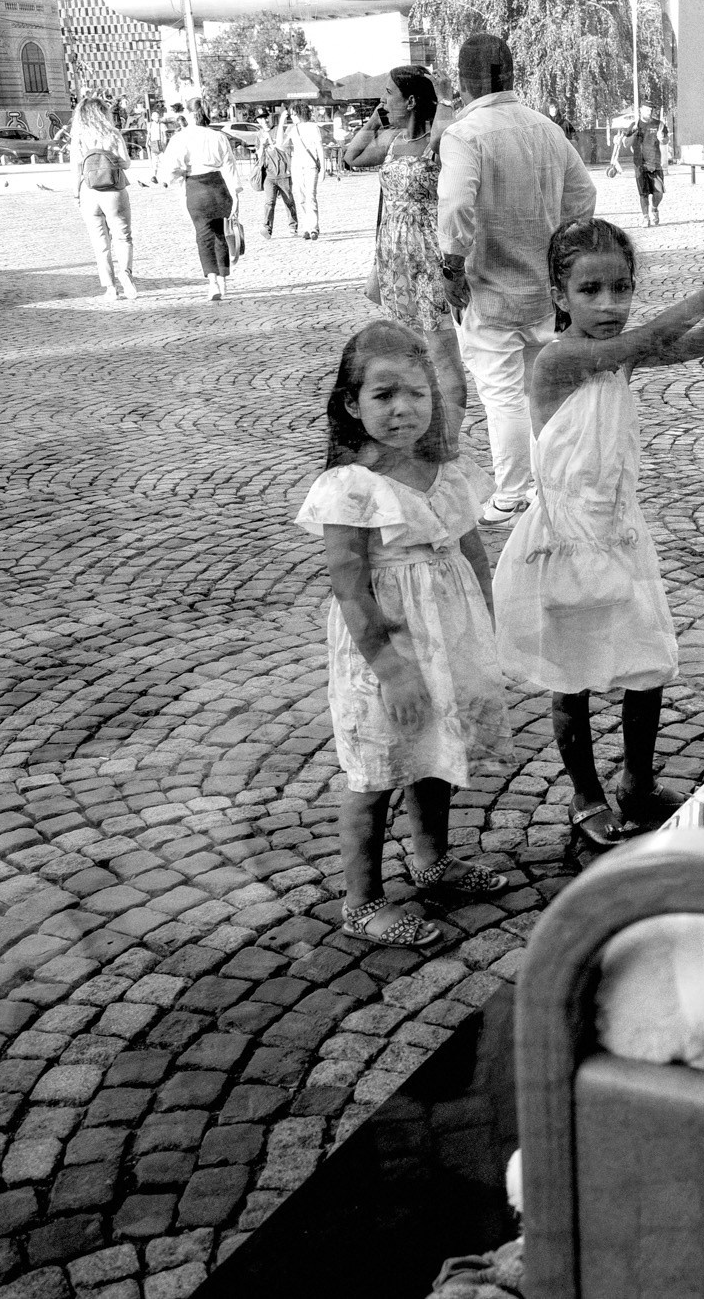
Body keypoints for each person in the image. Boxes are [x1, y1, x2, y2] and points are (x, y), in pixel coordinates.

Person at [495, 202, 704, 847]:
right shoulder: (560, 360)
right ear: (559, 296)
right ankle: (586, 794)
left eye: (621, 287)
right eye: (591, 289)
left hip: (620, 532)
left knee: (645, 661)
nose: (609, 302)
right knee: (572, 679)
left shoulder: (612, 356)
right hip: (564, 541)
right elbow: (649, 337)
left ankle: (639, 784)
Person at [296, 321, 511, 948]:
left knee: (436, 753)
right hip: (385, 652)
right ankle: (361, 901)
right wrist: (391, 668)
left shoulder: (446, 473)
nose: (402, 408)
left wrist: (486, 628)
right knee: (377, 770)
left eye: (416, 393)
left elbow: (470, 552)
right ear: (351, 404)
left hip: (448, 638)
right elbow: (350, 589)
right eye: (384, 394)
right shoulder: (349, 489)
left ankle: (431, 860)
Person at [438, 33, 598, 527]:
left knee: (502, 394)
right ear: (511, 74)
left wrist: (450, 265)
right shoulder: (546, 128)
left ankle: (511, 495)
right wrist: (562, 253)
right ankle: (548, 486)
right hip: (543, 286)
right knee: (540, 390)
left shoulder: (465, 135)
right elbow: (583, 196)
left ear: (464, 80)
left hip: (489, 286)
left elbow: (457, 204)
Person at [345, 66, 467, 446]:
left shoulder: (439, 140)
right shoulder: (393, 139)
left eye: (389, 94)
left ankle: (449, 440)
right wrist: (375, 116)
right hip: (395, 258)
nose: (384, 100)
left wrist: (443, 98)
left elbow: (445, 131)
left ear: (412, 100)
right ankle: (424, 433)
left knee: (443, 353)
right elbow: (352, 156)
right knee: (411, 350)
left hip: (428, 256)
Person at [155, 103, 239, 301]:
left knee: (204, 236)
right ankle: (223, 279)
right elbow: (230, 165)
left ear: (189, 116)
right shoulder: (218, 136)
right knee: (221, 233)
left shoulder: (181, 137)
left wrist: (168, 180)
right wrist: (236, 195)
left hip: (196, 186)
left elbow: (171, 168)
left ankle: (212, 283)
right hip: (219, 185)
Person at [70, 97, 138, 302]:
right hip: (114, 189)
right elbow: (126, 163)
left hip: (89, 192)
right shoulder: (113, 133)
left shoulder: (79, 137)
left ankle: (110, 289)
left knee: (100, 243)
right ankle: (125, 273)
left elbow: (76, 169)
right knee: (123, 237)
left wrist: (76, 193)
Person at [608, 110, 666, 226]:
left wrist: (662, 138)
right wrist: (628, 136)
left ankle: (654, 209)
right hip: (639, 164)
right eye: (646, 109)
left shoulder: (659, 124)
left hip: (655, 163)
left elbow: (665, 140)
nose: (649, 112)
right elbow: (626, 143)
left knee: (659, 192)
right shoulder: (634, 125)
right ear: (641, 110)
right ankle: (645, 217)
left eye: (651, 109)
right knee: (643, 193)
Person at [287, 101, 325, 240]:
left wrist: (323, 170)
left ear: (302, 113)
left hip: (311, 166)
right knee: (301, 198)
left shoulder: (313, 127)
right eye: (291, 115)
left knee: (311, 196)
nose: (293, 117)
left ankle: (313, 228)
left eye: (295, 114)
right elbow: (281, 143)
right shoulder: (292, 129)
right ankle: (306, 227)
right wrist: (280, 123)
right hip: (296, 166)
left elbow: (320, 148)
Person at [257, 109, 298, 238]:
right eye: (261, 118)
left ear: (269, 118)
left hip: (283, 172)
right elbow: (258, 156)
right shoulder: (259, 134)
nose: (265, 121)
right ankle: (267, 228)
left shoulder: (278, 130)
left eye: (266, 117)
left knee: (288, 200)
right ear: (258, 121)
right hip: (269, 174)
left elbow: (285, 146)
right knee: (269, 202)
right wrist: (262, 147)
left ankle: (293, 226)